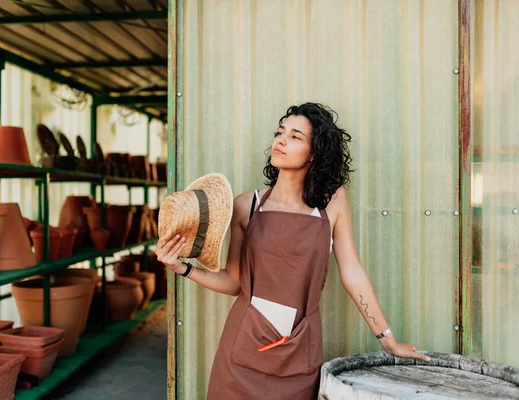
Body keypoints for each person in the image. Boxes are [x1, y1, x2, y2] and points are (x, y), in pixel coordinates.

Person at [155, 103, 430, 399]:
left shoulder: (332, 203)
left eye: (296, 136)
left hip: (300, 350)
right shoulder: (246, 205)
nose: (281, 140)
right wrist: (183, 268)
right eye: (280, 132)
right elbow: (235, 283)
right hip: (243, 352)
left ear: (315, 153)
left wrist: (387, 340)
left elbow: (352, 273)